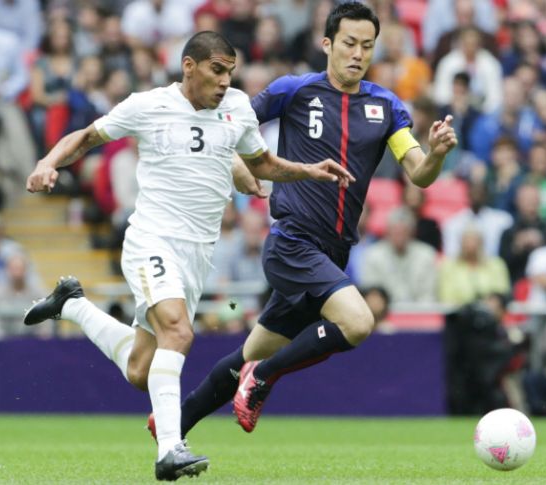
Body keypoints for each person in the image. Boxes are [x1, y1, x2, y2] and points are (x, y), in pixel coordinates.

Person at [21, 31, 354, 482]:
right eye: (217, 70)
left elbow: (260, 164)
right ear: (189, 67)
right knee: (178, 333)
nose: (225, 81)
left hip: (197, 254)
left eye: (230, 71)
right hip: (152, 240)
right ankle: (170, 449)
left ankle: (72, 303)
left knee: (142, 370)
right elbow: (86, 137)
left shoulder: (236, 108)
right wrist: (48, 163)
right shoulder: (149, 105)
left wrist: (307, 171)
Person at [175, 2, 457, 438]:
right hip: (292, 241)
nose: (358, 53)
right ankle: (264, 378)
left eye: (367, 45)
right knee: (359, 323)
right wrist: (238, 169)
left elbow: (419, 174)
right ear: (327, 44)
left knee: (247, 352)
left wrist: (436, 153)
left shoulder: (387, 108)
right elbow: (226, 126)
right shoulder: (294, 90)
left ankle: (174, 425)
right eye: (349, 43)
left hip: (332, 254)